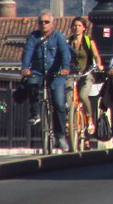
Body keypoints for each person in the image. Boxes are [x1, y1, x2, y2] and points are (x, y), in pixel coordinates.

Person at [20, 13, 73, 151]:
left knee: (59, 104)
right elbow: (28, 52)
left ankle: (60, 136)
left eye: (47, 22)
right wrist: (25, 68)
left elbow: (65, 53)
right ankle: (35, 113)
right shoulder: (34, 37)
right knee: (31, 84)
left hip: (56, 74)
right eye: (41, 22)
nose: (43, 24)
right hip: (38, 72)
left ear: (52, 24)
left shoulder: (58, 37)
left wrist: (66, 68)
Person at [66, 16, 101, 134]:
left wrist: (99, 64)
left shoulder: (88, 41)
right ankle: (71, 119)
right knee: (68, 95)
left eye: (79, 26)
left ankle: (89, 117)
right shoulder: (68, 43)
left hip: (86, 73)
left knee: (82, 95)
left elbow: (96, 55)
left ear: (84, 28)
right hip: (72, 73)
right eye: (74, 26)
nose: (76, 28)